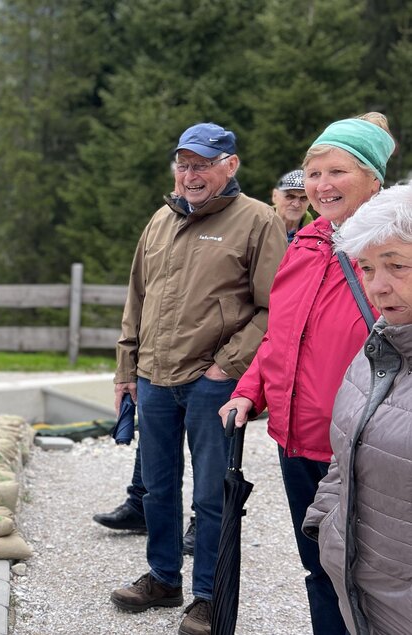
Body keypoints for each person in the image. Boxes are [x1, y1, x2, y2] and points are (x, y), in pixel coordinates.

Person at [219, 113, 394, 635]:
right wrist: (249, 391)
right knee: (318, 568)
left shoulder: (392, 250)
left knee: (371, 576)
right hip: (296, 439)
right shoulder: (307, 242)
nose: (321, 185)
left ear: (373, 180)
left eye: (337, 172)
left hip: (363, 444)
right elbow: (281, 334)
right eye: (313, 173)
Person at [109, 122, 286, 635]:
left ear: (230, 166)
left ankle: (208, 596)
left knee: (211, 495)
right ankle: (164, 578)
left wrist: (226, 367)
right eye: (184, 164)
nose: (191, 174)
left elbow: (274, 306)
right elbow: (135, 300)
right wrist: (127, 370)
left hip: (214, 382)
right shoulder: (160, 220)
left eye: (203, 164)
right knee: (158, 489)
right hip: (154, 378)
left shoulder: (258, 220)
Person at [302, 182, 412, 635]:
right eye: (366, 268)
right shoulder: (381, 348)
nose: (377, 286)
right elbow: (348, 447)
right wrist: (327, 525)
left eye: (397, 266)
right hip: (363, 596)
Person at [272, 168, 314, 243]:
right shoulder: (258, 227)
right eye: (290, 197)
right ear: (275, 196)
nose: (296, 204)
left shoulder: (317, 235)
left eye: (303, 198)